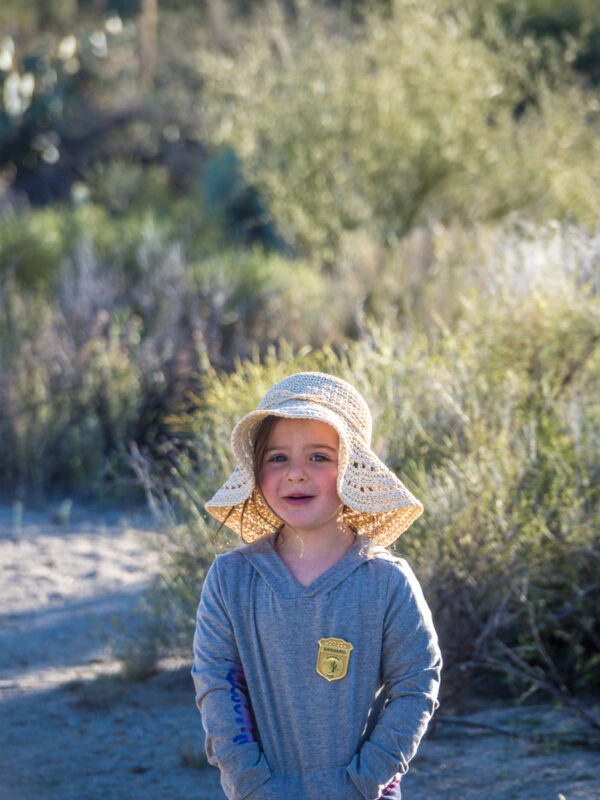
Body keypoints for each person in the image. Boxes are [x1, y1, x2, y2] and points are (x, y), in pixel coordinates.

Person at [192, 372, 442, 800]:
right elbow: (218, 684)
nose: (295, 475)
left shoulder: (386, 580)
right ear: (255, 470)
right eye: (277, 458)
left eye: (319, 458)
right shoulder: (231, 579)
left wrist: (366, 779)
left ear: (354, 470)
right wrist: (250, 783)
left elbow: (416, 683)